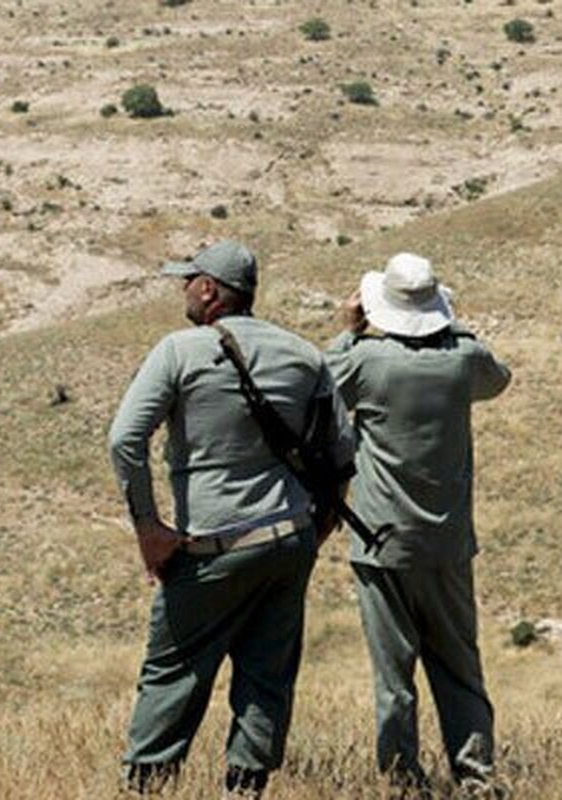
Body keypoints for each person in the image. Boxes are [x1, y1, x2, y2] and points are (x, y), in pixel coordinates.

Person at [107, 240, 356, 798]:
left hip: (213, 543)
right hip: (288, 538)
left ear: (209, 290)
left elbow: (125, 439)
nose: (183, 290)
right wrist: (313, 531)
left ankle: (145, 786)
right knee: (267, 677)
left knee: (172, 674)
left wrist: (148, 527)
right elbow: (342, 453)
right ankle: (244, 789)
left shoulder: (180, 351)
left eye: (188, 280)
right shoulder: (303, 354)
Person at [325, 252, 511, 789]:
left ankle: (404, 779)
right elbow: (499, 377)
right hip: (449, 540)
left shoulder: (365, 361)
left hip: (381, 540)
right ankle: (476, 774)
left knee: (394, 677)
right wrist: (452, 325)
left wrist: (350, 330)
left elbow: (319, 382)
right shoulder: (463, 360)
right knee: (459, 668)